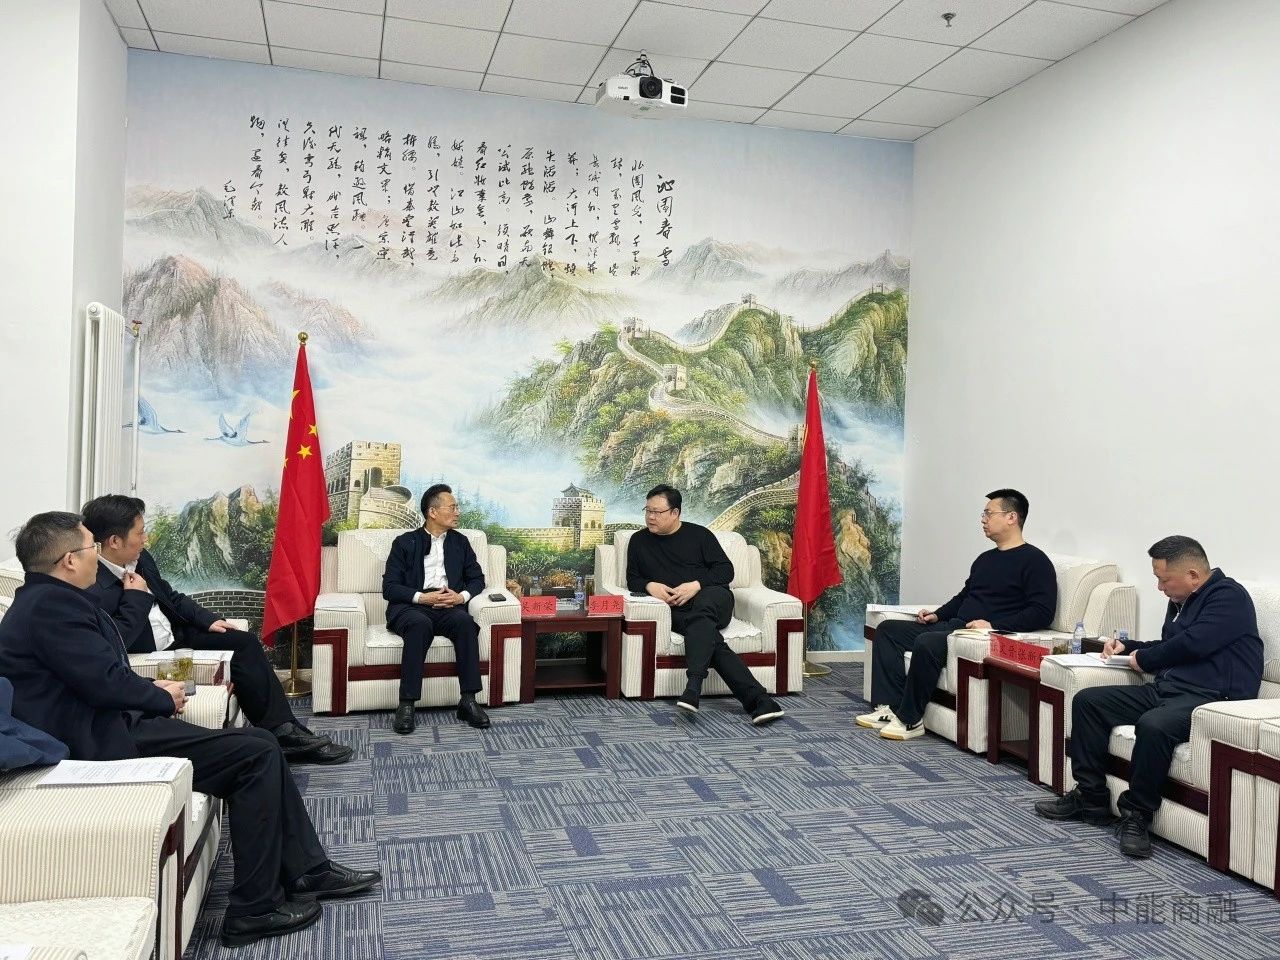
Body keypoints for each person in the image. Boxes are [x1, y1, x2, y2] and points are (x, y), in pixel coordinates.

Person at [0, 512, 380, 948]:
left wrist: (150, 689)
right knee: (257, 754)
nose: (96, 555)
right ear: (69, 559)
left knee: (260, 745)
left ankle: (306, 870)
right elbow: (101, 681)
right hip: (101, 741)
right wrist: (160, 699)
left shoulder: (45, 600)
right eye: (91, 548)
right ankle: (254, 910)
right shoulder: (52, 607)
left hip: (107, 723)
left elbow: (89, 673)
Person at [1035, 536, 1262, 858]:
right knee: (1089, 702)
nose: (1159, 587)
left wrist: (1144, 659)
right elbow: (1171, 645)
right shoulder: (1182, 601)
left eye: (1164, 580)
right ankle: (1091, 798)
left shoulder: (1229, 597)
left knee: (1154, 725)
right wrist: (1129, 648)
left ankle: (1137, 815)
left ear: (1193, 575)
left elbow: (1193, 644)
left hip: (1211, 699)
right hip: (1168, 690)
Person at [81, 495, 350, 765]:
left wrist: (207, 619)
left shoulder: (140, 558)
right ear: (114, 541)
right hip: (151, 653)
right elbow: (114, 641)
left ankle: (283, 729)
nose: (146, 539)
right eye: (140, 533)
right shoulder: (90, 581)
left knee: (243, 643)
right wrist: (135, 598)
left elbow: (170, 596)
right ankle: (284, 738)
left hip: (177, 635)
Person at [859, 488, 1056, 741]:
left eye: (989, 513)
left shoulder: (1036, 561)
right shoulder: (985, 559)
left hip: (977, 635)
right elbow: (964, 597)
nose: (983, 520)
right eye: (983, 514)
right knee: (888, 630)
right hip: (954, 626)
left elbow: (1042, 612)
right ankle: (888, 708)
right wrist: (937, 615)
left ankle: (910, 720)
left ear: (1011, 517)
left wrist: (992, 625)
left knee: (927, 642)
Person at [626, 484, 785, 726]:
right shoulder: (638, 541)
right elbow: (633, 579)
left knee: (704, 608)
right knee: (706, 634)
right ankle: (761, 702)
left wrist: (696, 585)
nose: (650, 517)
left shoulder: (700, 535)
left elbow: (726, 571)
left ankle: (694, 683)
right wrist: (650, 586)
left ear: (675, 512)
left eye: (657, 512)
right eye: (647, 510)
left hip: (714, 599)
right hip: (678, 609)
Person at [382, 483, 490, 734]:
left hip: (448, 606)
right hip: (412, 607)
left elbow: (477, 579)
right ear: (432, 512)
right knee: (419, 624)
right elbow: (390, 588)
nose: (457, 512)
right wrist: (423, 598)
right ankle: (407, 704)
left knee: (465, 623)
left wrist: (460, 597)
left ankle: (468, 701)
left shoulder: (461, 543)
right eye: (452, 507)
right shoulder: (404, 543)